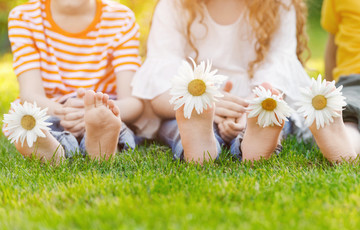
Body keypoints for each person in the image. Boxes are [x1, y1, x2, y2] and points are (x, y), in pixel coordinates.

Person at [132, 0, 311, 164]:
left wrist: (248, 109)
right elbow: (161, 87)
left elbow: (278, 72)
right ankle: (200, 144)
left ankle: (253, 138)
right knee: (183, 121)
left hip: (254, 102)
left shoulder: (279, 4)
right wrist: (204, 103)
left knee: (270, 115)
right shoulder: (174, 5)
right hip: (191, 103)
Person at [4, 0, 143, 164]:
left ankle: (102, 145)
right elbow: (30, 94)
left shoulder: (121, 18)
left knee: (114, 124)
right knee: (39, 124)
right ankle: (51, 149)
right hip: (50, 109)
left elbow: (133, 102)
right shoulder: (24, 17)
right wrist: (65, 112)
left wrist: (98, 112)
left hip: (105, 107)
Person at [313, 0, 360, 162]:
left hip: (353, 80)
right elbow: (332, 46)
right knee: (348, 117)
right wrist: (329, 89)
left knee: (351, 118)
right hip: (354, 79)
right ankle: (343, 145)